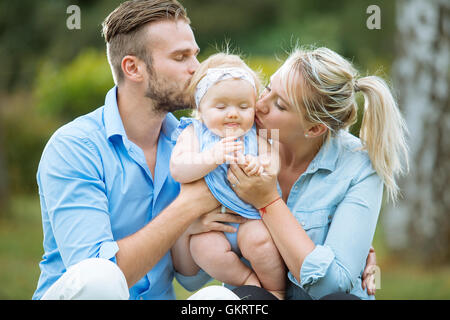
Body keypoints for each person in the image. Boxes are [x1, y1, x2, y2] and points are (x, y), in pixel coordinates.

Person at [32, 0, 247, 300]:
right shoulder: (74, 147)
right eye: (181, 57)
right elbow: (99, 278)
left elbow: (189, 278)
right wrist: (187, 207)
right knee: (100, 275)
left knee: (221, 300)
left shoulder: (192, 143)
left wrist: (195, 230)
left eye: (195, 55)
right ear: (133, 68)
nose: (197, 69)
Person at [224, 46, 409, 299]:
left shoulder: (359, 166)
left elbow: (332, 286)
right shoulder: (239, 141)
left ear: (314, 129)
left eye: (280, 105)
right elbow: (191, 271)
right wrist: (197, 224)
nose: (260, 105)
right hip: (259, 296)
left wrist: (268, 202)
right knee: (246, 297)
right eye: (268, 88)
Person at [169, 53, 286, 299]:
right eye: (221, 107)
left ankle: (276, 291)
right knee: (204, 249)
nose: (233, 114)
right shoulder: (193, 133)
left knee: (262, 243)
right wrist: (212, 157)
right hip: (211, 226)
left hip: (248, 220)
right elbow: (179, 168)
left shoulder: (255, 134)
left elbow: (273, 161)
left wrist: (259, 164)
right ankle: (247, 281)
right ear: (201, 108)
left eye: (243, 107)